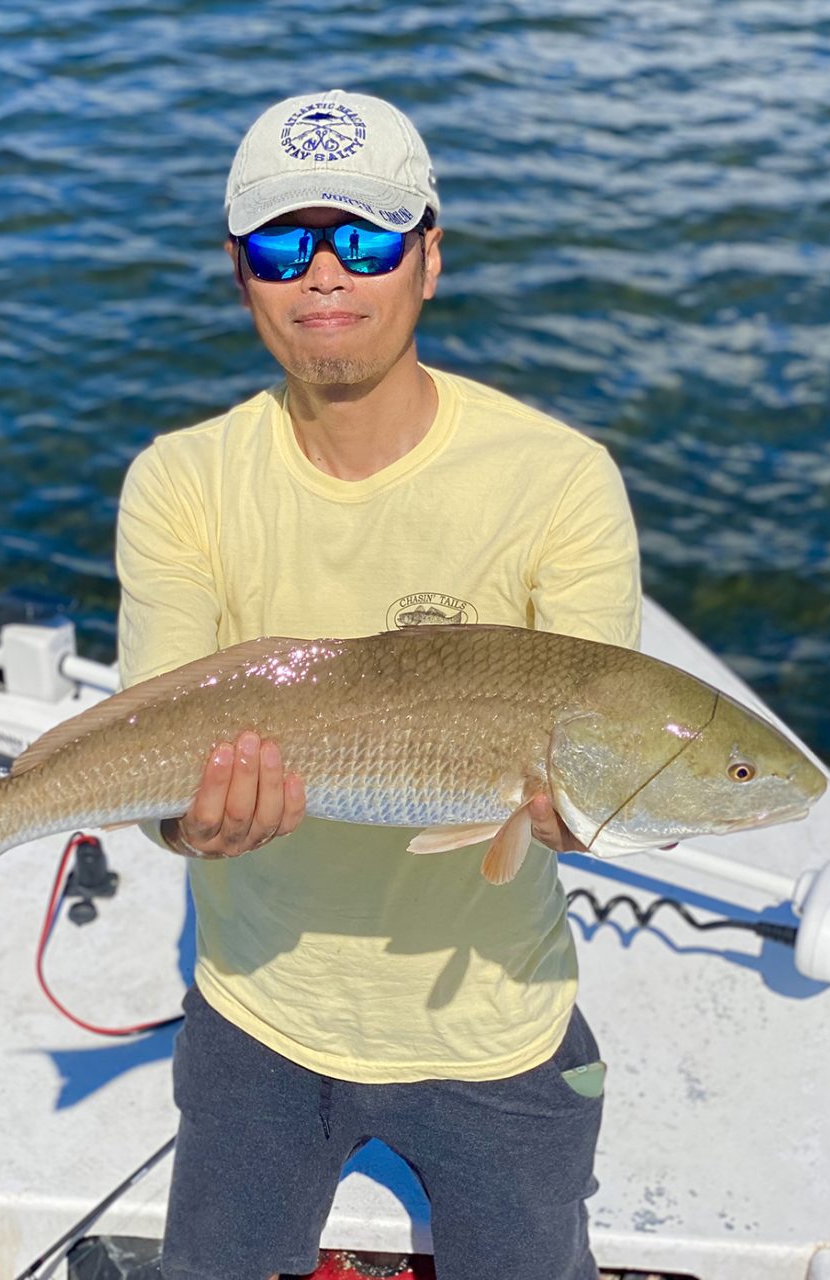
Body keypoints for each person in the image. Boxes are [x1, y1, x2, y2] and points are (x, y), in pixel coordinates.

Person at [115, 89, 641, 1280]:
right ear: (240, 273)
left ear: (429, 258)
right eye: (280, 243)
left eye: (363, 237)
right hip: (253, 1013)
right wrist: (183, 821)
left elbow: (595, 747)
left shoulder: (560, 479)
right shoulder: (180, 481)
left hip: (496, 1024)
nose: (323, 274)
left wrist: (583, 810)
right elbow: (155, 747)